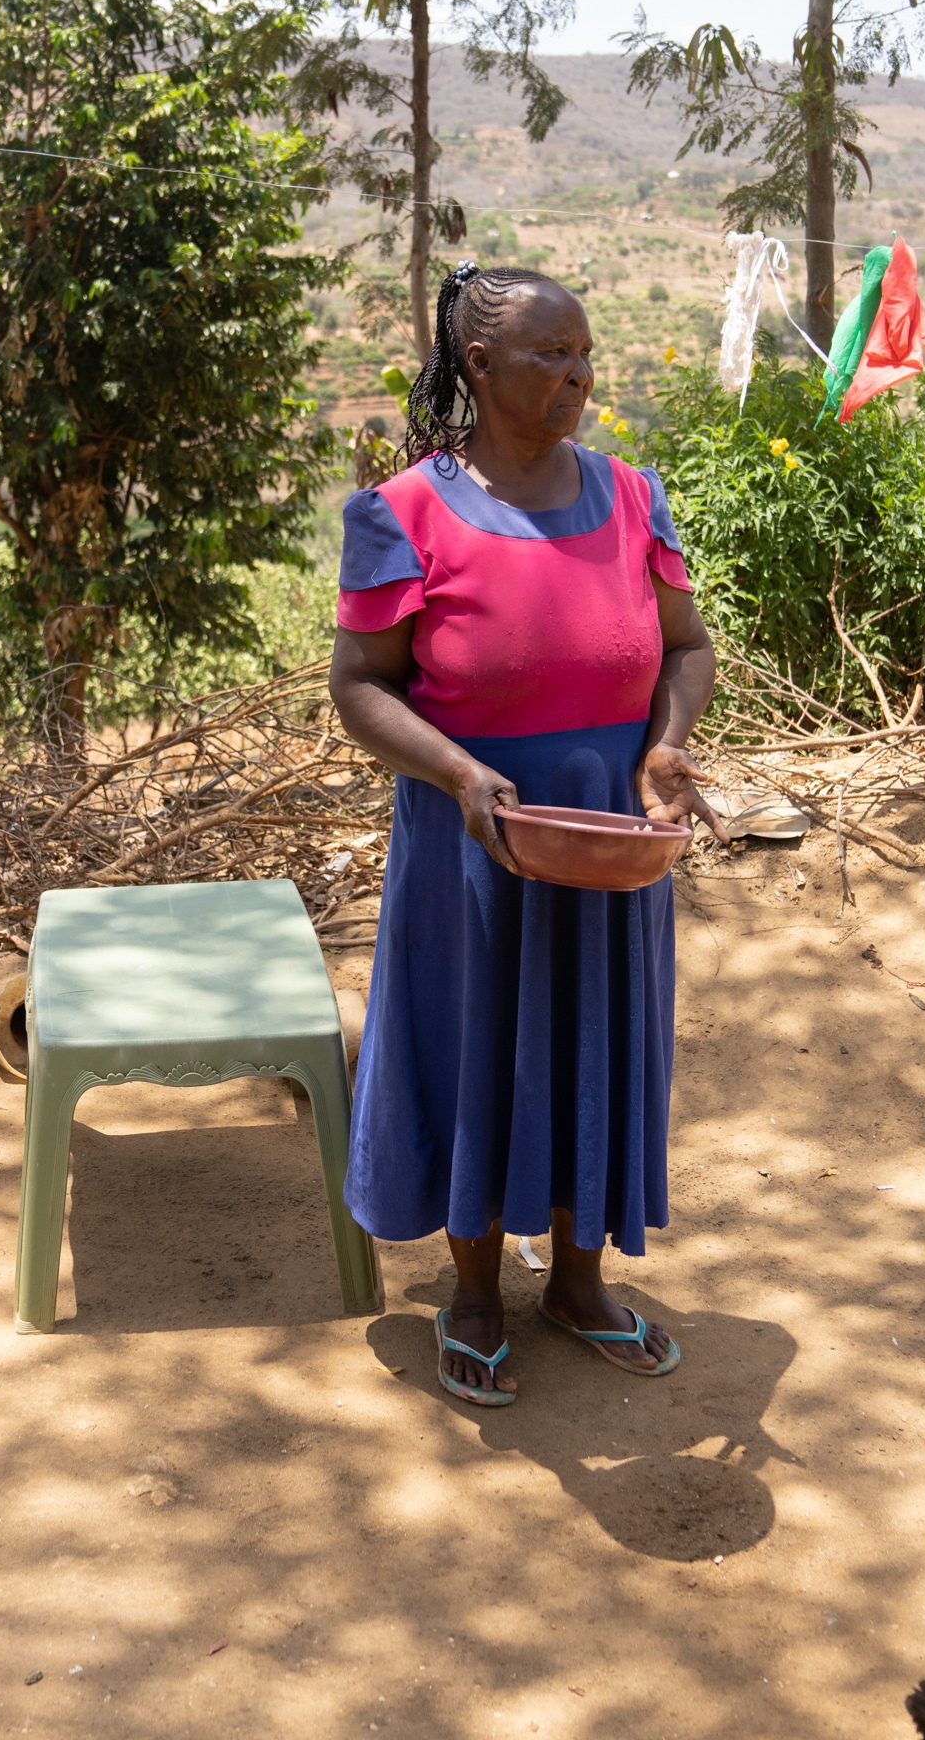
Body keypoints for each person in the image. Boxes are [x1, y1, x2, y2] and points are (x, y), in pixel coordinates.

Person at [328, 261, 724, 1408]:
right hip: (473, 839)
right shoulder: (403, 512)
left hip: (610, 829)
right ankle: (474, 1293)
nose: (577, 374)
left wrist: (666, 742)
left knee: (595, 1041)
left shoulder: (633, 496)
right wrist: (459, 771)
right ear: (481, 363)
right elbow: (359, 686)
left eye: (584, 353)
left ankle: (579, 1283)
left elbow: (687, 647)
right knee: (478, 1046)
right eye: (551, 354)